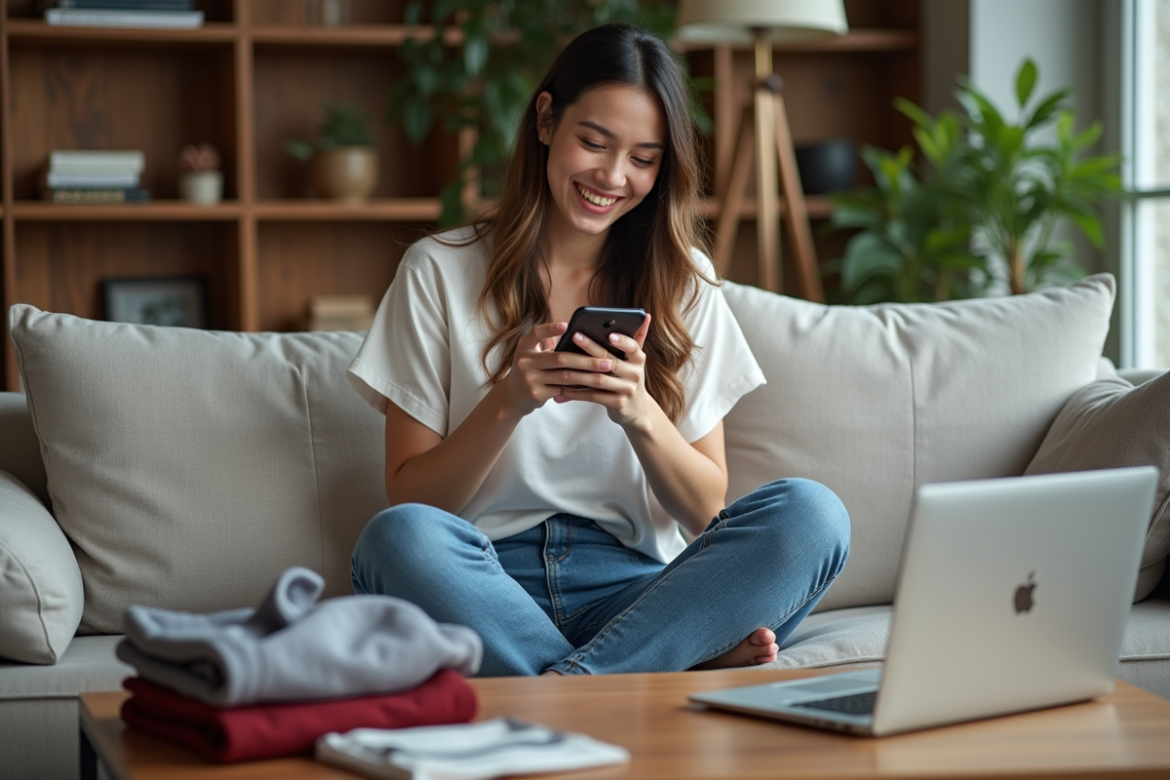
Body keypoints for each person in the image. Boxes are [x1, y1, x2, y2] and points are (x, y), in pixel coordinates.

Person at [347, 23, 849, 677]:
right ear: (547, 119)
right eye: (595, 142)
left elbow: (705, 511)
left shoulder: (684, 281)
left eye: (643, 158)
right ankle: (653, 668)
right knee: (397, 540)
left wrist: (638, 411)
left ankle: (574, 684)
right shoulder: (437, 271)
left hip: (637, 592)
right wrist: (507, 403)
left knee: (813, 514)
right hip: (484, 583)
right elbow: (412, 501)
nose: (613, 176)